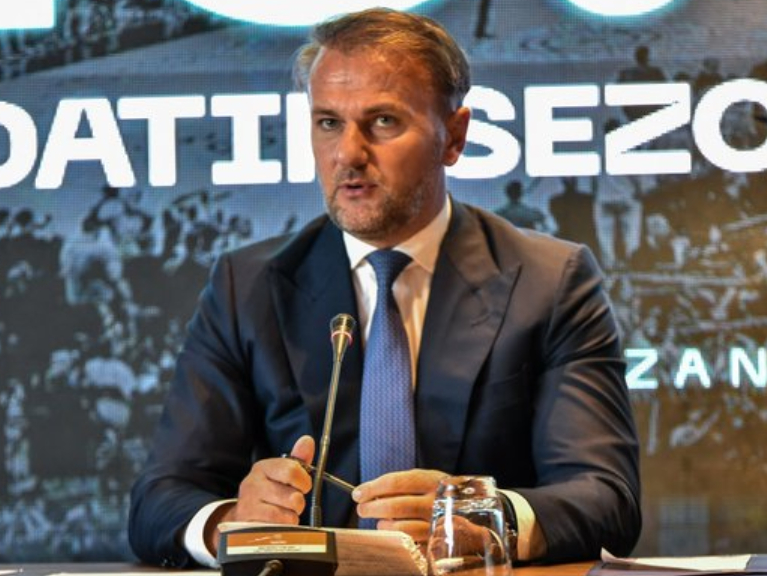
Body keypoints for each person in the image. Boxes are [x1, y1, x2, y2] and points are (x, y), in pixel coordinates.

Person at [128, 7, 640, 569]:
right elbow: (159, 500)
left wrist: (482, 517)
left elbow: (606, 497)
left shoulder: (551, 281)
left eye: (384, 122)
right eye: (328, 123)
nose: (348, 153)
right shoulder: (246, 287)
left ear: (454, 136)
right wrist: (233, 520)